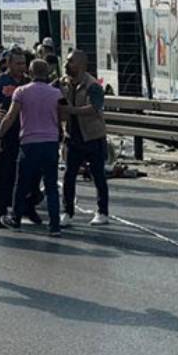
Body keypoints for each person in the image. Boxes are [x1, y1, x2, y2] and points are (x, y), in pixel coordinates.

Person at [0, 58, 64, 235]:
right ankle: (54, 225)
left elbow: (10, 116)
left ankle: (16, 218)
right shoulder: (56, 93)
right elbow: (62, 116)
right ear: (47, 73)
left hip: (29, 142)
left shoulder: (22, 92)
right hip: (50, 142)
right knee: (51, 185)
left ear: (30, 73)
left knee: (22, 183)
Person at [57, 50, 111, 226]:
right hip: (72, 137)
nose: (66, 64)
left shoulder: (92, 84)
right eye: (66, 61)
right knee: (68, 176)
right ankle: (67, 212)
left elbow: (95, 108)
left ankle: (102, 212)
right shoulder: (62, 83)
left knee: (98, 176)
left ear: (81, 64)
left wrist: (71, 110)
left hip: (92, 136)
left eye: (70, 61)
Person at [0, 47, 29, 227]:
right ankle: (0, 212)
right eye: (18, 63)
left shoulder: (28, 81)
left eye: (23, 63)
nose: (21, 67)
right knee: (4, 174)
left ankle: (25, 208)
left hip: (25, 132)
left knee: (27, 174)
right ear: (9, 64)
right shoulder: (0, 81)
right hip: (4, 133)